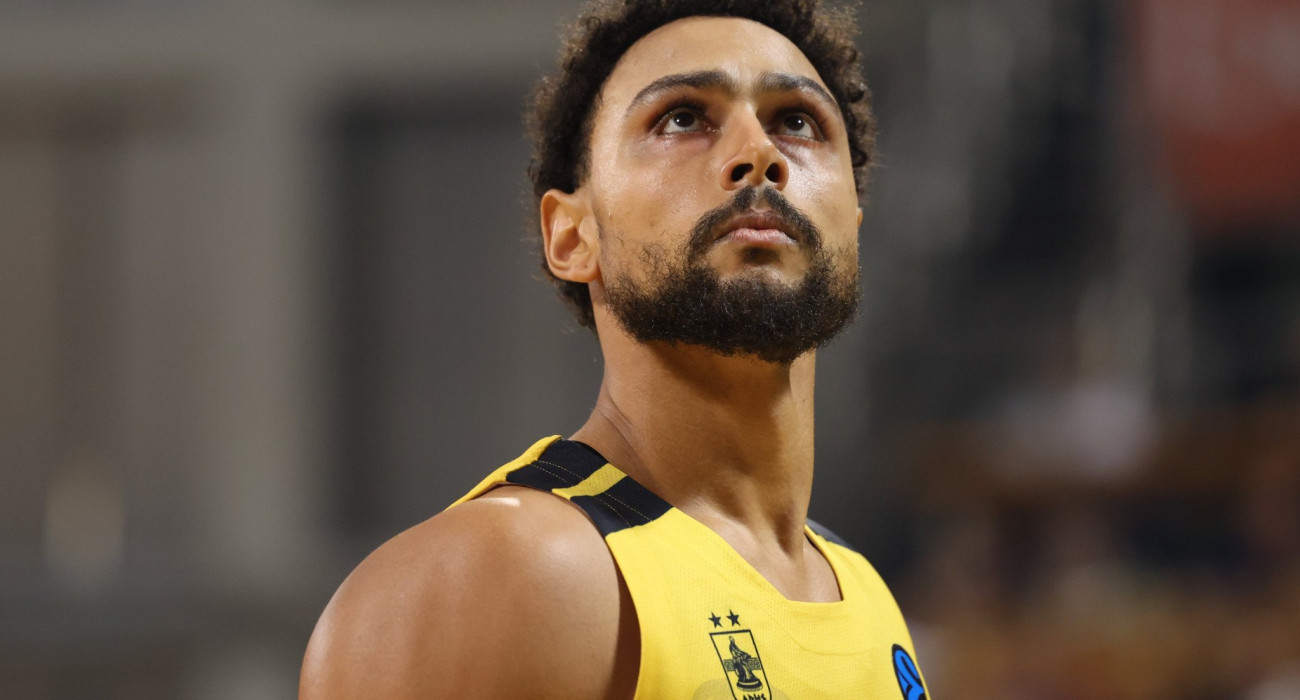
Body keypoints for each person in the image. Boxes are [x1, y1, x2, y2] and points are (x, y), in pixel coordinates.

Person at [300, 1, 929, 698]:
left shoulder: (869, 598)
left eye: (797, 122)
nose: (760, 154)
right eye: (682, 119)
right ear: (573, 236)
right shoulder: (496, 576)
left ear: (853, 224)